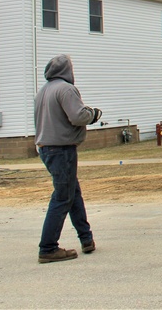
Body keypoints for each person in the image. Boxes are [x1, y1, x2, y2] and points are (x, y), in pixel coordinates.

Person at [34, 55, 102, 264]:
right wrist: (93, 114)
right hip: (61, 149)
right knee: (63, 197)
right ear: (67, 71)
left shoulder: (43, 91)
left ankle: (86, 238)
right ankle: (48, 248)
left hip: (46, 148)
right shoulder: (65, 89)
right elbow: (77, 116)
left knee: (72, 193)